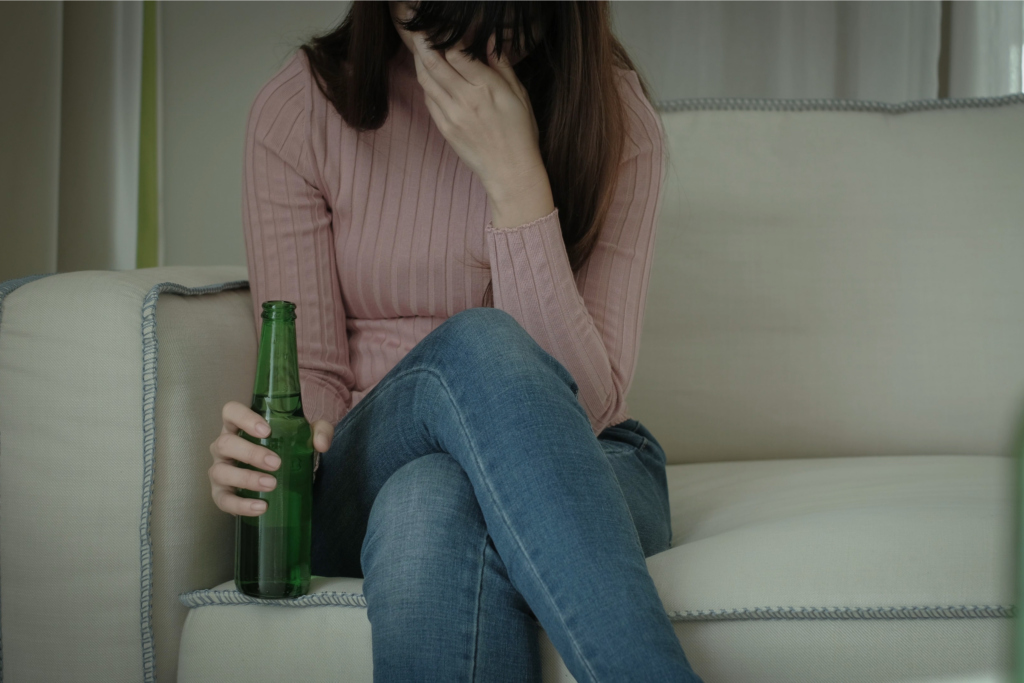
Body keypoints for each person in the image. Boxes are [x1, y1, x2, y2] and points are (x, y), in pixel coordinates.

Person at [207, 1, 703, 681]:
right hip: (366, 462)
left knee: (429, 500)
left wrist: (517, 182)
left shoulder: (615, 117)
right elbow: (313, 374)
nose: (459, 50)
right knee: (477, 345)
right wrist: (276, 454)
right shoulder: (302, 110)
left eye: (493, 25)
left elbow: (583, 406)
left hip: (587, 459)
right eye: (428, 17)